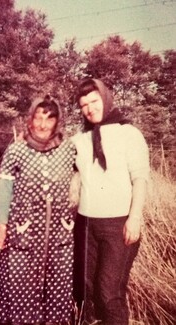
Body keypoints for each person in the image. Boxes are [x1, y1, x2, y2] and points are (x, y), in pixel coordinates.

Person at [0, 95, 76, 325]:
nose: (42, 124)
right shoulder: (17, 150)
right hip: (24, 234)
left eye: (49, 119)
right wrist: (2, 228)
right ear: (30, 119)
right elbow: (5, 190)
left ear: (57, 121)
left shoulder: (69, 149)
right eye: (38, 118)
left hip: (59, 236)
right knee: (21, 290)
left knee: (56, 291)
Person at [72, 78, 150, 325]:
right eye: (84, 104)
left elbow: (140, 178)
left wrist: (134, 218)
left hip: (118, 225)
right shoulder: (79, 140)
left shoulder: (129, 134)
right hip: (85, 224)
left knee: (109, 294)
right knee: (84, 289)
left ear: (105, 99)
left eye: (94, 101)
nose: (89, 108)